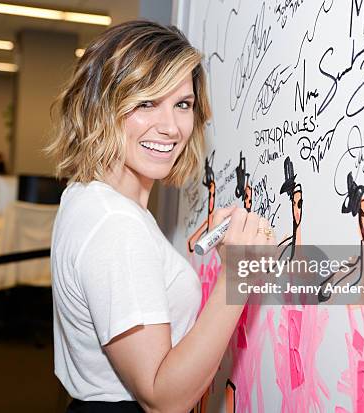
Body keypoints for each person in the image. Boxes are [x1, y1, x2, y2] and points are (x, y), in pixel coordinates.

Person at [47, 20, 276, 413]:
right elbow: (162, 398)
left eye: (182, 104)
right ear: (102, 106)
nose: (171, 127)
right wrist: (238, 276)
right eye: (146, 102)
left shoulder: (88, 196)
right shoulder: (116, 226)